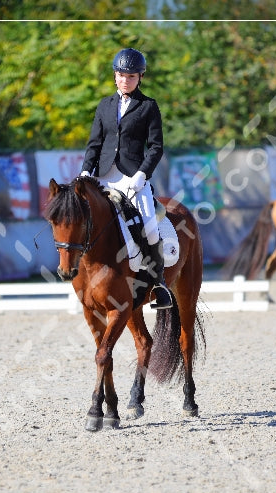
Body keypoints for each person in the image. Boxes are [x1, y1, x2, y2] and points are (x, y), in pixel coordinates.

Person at [79, 48, 172, 310]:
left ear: (140, 77)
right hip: (104, 177)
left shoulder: (148, 106)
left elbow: (156, 147)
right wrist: (87, 171)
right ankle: (81, 276)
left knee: (150, 229)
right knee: (82, 219)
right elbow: (94, 144)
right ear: (115, 76)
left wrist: (142, 174)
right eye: (120, 75)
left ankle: (158, 283)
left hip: (133, 177)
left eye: (130, 76)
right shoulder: (104, 105)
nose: (125, 80)